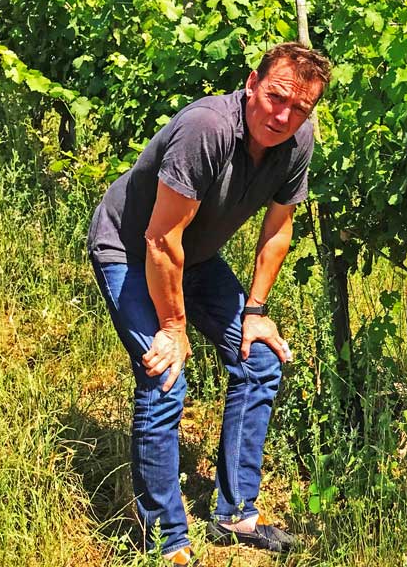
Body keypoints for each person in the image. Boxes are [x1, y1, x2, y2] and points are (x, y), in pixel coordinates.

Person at [87, 42, 331, 565]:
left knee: (259, 360)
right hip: (131, 249)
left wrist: (256, 312)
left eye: (300, 108)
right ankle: (166, 542)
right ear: (251, 82)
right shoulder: (208, 128)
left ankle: (236, 513)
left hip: (190, 257)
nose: (284, 116)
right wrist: (173, 327)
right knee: (164, 374)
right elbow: (158, 239)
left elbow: (279, 229)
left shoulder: (298, 140)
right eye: (275, 97)